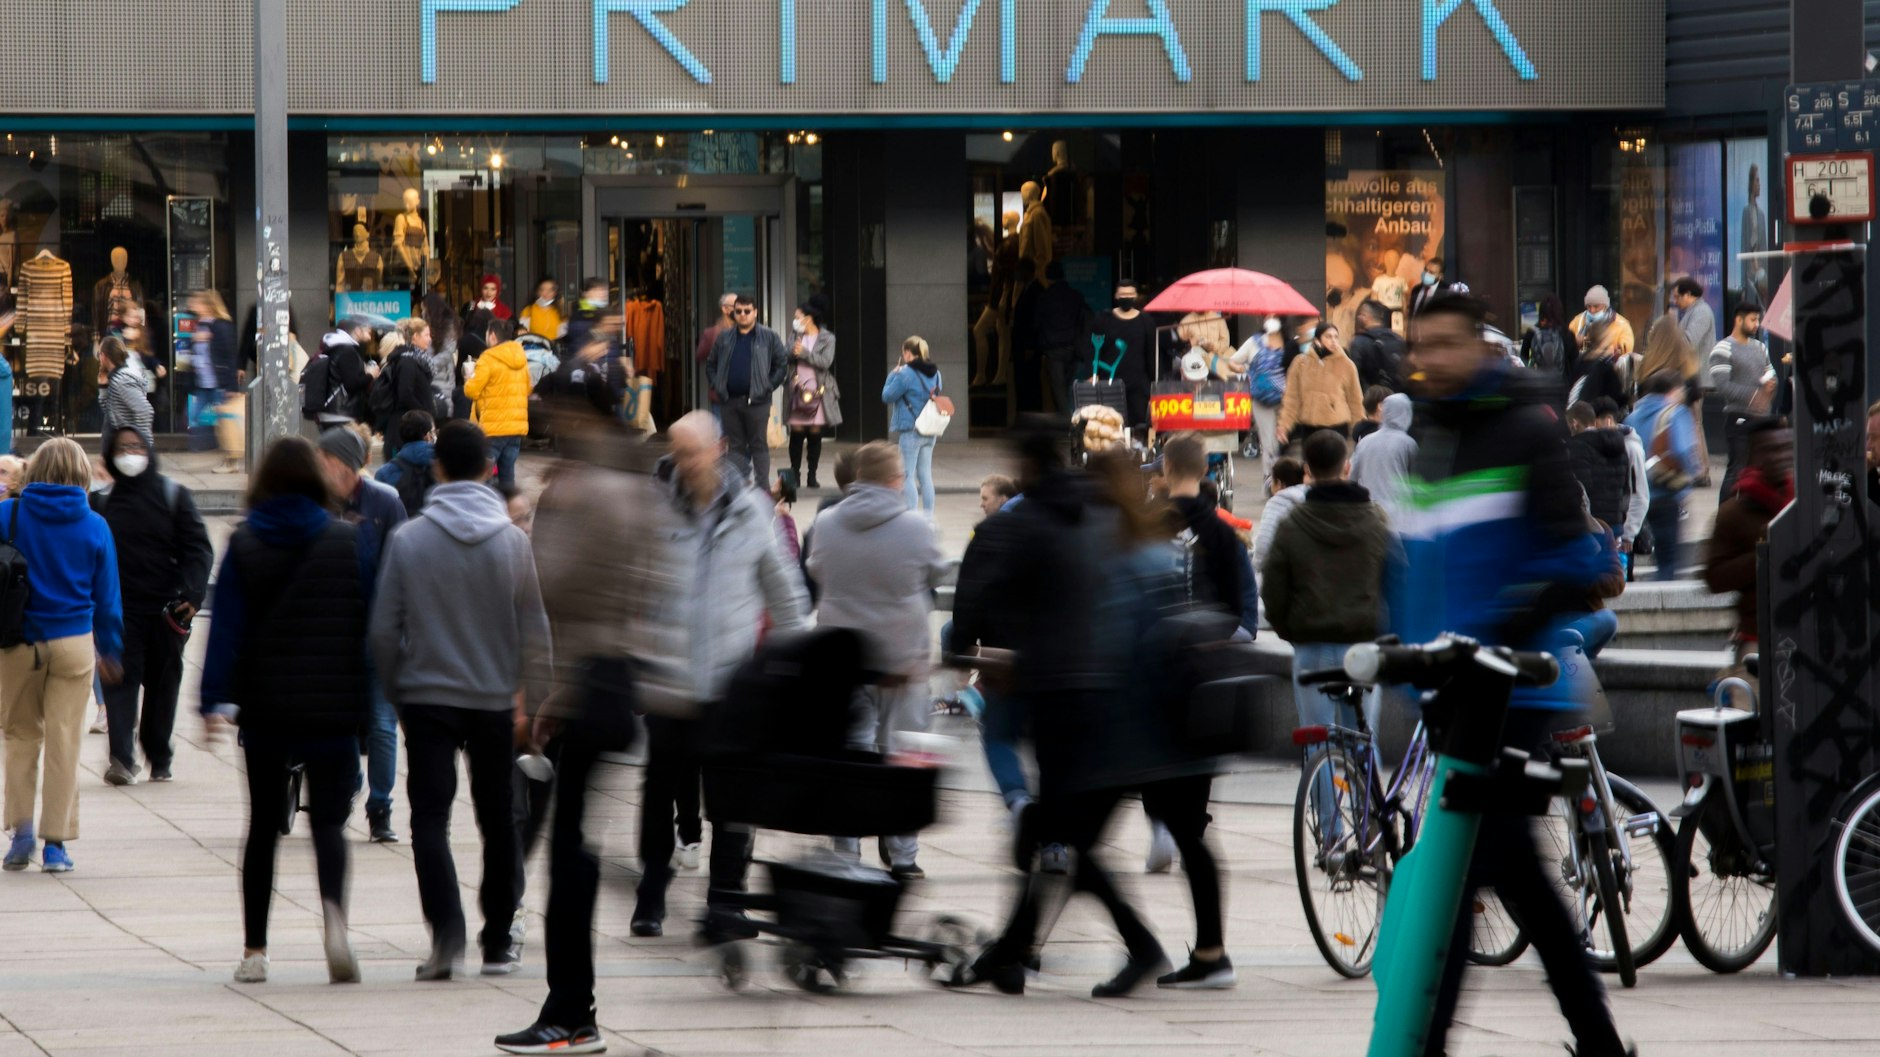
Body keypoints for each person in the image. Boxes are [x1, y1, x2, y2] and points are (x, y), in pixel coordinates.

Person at [1395, 293, 1629, 1057]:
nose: (1430, 358)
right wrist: (1409, 654)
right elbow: (1420, 563)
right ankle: (1597, 1041)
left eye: (1445, 343)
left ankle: (1425, 1043)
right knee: (1506, 872)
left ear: (1480, 345)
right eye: (1420, 344)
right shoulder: (1431, 436)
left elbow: (1578, 559)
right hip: (1452, 689)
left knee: (1462, 876)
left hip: (1514, 688)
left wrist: (1496, 631)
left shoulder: (1526, 429)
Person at [949, 438, 1174, 998]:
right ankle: (1012, 953)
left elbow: (1088, 627)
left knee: (1063, 841)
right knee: (1062, 841)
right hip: (1108, 710)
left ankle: (1131, 947)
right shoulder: (1116, 535)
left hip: (1101, 711)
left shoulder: (1093, 539)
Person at [496, 387, 677, 1056]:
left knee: (569, 857)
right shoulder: (632, 483)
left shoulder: (590, 490)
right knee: (572, 849)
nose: (551, 427)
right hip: (606, 681)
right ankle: (572, 1008)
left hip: (593, 683)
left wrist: (548, 514)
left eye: (559, 417)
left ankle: (571, 1013)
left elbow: (556, 584)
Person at [370, 420, 549, 978]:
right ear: (490, 470)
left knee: (429, 818)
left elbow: (382, 631)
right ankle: (498, 940)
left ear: (438, 468)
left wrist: (398, 692)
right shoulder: (513, 542)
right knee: (499, 819)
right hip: (494, 699)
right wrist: (532, 704)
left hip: (427, 696)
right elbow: (537, 633)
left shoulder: (409, 540)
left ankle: (446, 936)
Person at [630, 411, 809, 940]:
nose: (682, 463)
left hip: (731, 683)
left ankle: (726, 902)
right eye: (675, 452)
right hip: (669, 682)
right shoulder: (655, 509)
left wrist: (791, 671)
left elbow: (785, 596)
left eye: (691, 452)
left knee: (732, 797)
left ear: (719, 448)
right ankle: (651, 895)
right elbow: (634, 588)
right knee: (659, 791)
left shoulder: (753, 512)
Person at [198, 437, 368, 985]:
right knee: (330, 825)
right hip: (333, 706)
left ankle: (255, 950)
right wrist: (368, 703)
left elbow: (225, 629)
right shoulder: (346, 540)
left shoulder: (246, 543)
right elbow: (363, 628)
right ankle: (334, 921)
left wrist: (213, 701)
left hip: (267, 707)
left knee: (263, 827)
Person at [804, 441, 950, 879]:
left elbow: (815, 570)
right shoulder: (917, 526)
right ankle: (903, 856)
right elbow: (936, 571)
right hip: (902, 660)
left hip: (843, 659)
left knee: (849, 756)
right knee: (906, 755)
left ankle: (846, 852)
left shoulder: (826, 523)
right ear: (893, 480)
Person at [0, 439, 123, 874]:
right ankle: (55, 845)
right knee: (64, 739)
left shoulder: (7, 515)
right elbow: (108, 600)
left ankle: (21, 832)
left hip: (18, 641)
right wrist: (111, 649)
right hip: (74, 643)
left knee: (19, 735)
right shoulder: (95, 525)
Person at [1261, 430, 1390, 805]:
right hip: (1363, 645)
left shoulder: (1292, 524)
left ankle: (1329, 830)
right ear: (1347, 467)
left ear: (1307, 470)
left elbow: (1273, 588)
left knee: (1317, 742)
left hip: (1312, 646)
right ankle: (1370, 819)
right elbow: (1396, 578)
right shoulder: (1376, 520)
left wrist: (1290, 629)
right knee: (1363, 739)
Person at [91, 428, 211, 787]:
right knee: (119, 681)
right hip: (119, 610)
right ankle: (122, 758)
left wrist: (193, 593)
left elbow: (198, 548)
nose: (130, 453)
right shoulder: (101, 503)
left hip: (166, 610)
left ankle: (159, 754)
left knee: (162, 684)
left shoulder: (173, 496)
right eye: (122, 447)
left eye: (136, 446)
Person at [317, 425, 409, 844]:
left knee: (382, 724)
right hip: (333, 635)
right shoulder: (316, 501)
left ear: (343, 463)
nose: (320, 466)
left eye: (325, 459)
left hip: (377, 633)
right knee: (339, 722)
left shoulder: (383, 502)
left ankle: (381, 806)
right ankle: (351, 781)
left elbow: (401, 563)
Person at [1705, 420, 1793, 662]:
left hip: (1808, 631)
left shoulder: (1806, 503)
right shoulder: (1734, 513)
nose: (1782, 457)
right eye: (1772, 450)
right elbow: (1715, 578)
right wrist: (1764, 552)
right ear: (1755, 456)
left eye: (1787, 448)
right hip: (1757, 636)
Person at [705, 294, 789, 488]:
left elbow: (781, 364)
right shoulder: (725, 337)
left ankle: (762, 488)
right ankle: (737, 487)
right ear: (733, 313)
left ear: (755, 312)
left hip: (758, 402)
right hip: (730, 400)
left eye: (747, 311)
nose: (742, 315)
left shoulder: (768, 336)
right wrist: (717, 385)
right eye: (738, 311)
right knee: (735, 447)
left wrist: (768, 386)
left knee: (758, 444)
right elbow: (711, 364)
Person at [1626, 371, 1703, 582]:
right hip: (1666, 492)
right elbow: (1682, 449)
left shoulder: (1632, 416)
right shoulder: (1676, 413)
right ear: (1673, 391)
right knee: (1668, 560)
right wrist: (1691, 472)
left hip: (1638, 495)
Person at [1709, 303, 1774, 498]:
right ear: (1739, 320)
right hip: (1739, 417)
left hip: (1762, 418)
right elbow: (1723, 385)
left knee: (1759, 473)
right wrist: (1753, 395)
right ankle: (1726, 511)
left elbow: (1770, 372)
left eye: (1758, 320)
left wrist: (1772, 383)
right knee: (1737, 470)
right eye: (1753, 319)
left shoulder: (1760, 347)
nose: (1757, 324)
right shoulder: (1723, 348)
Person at [465, 317, 531, 491]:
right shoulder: (521, 357)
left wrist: (469, 378)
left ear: (493, 335)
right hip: (516, 427)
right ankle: (507, 505)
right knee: (507, 475)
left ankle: (486, 506)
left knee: (483, 476)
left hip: (493, 428)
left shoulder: (488, 358)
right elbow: (527, 388)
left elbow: (472, 391)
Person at [1084, 278, 1158, 430]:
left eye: (1130, 294)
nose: (1126, 298)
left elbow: (1151, 354)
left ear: (1136, 296)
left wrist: (1155, 383)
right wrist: (1092, 373)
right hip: (1109, 383)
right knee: (1109, 425)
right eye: (1123, 294)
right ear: (1116, 296)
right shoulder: (1103, 320)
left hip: (1138, 385)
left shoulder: (1146, 321)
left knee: (1139, 426)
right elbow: (1092, 349)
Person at [882, 335, 944, 515]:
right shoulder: (936, 373)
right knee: (925, 475)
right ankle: (928, 517)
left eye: (903, 353)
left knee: (907, 474)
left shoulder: (905, 374)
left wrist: (892, 375)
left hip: (911, 429)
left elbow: (887, 396)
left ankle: (910, 515)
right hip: (929, 429)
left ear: (908, 353)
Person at [1277, 324, 1364, 450]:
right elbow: (1291, 398)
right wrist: (1284, 425)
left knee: (1333, 462)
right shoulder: (1300, 363)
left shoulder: (1347, 365)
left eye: (1336, 337)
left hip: (1336, 427)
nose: (1333, 340)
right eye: (1328, 337)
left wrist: (1359, 430)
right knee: (1310, 462)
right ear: (1317, 340)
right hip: (1309, 427)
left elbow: (1355, 401)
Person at [786, 297, 841, 489]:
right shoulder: (795, 334)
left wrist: (804, 353)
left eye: (798, 317)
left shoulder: (828, 338)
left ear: (808, 318)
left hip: (818, 390)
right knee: (797, 432)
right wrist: (792, 353)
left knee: (814, 432)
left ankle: (812, 475)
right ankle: (794, 474)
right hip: (797, 388)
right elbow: (786, 355)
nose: (795, 320)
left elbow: (825, 362)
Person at [190, 290, 242, 472]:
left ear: (208, 305)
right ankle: (213, 447)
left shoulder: (221, 326)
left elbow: (230, 356)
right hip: (204, 383)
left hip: (219, 382)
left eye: (197, 303)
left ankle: (231, 460)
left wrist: (231, 386)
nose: (193, 306)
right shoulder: (201, 325)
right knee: (195, 417)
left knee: (226, 422)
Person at [1566, 401, 1632, 540]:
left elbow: (1581, 488)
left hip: (1593, 526)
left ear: (1574, 423)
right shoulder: (1619, 446)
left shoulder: (1576, 447)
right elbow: (1627, 487)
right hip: (1616, 523)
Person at [376, 317, 440, 463]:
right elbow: (405, 394)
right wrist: (424, 414)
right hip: (403, 431)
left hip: (412, 428)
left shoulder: (416, 359)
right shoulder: (408, 361)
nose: (429, 339)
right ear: (415, 337)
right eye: (426, 335)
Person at [1348, 392, 1417, 526]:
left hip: (1369, 511)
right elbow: (1414, 478)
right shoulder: (1408, 443)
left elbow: (1352, 477)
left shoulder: (1365, 441)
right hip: (1399, 513)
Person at [1032, 260, 1090, 415]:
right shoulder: (1075, 295)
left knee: (1058, 390)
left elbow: (1036, 323)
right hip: (1073, 347)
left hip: (1053, 349)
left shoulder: (1044, 298)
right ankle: (1074, 416)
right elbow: (1086, 318)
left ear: (1047, 277)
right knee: (1069, 386)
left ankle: (1067, 421)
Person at [1237, 317, 1289, 486]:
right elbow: (1234, 361)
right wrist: (1248, 370)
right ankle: (1271, 479)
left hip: (1284, 400)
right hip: (1266, 399)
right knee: (1270, 443)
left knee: (1277, 442)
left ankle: (1277, 478)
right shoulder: (1256, 341)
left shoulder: (1288, 342)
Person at [1569, 285, 1636, 408]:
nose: (1592, 310)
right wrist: (1575, 343)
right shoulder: (1577, 322)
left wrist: (1614, 351)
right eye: (1589, 307)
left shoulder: (1621, 325)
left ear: (1605, 306)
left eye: (1596, 306)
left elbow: (1626, 349)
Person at [376, 410, 438, 518]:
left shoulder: (384, 472)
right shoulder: (445, 465)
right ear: (428, 436)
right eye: (434, 432)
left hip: (400, 525)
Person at [1252, 456, 1308, 570]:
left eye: (1272, 481)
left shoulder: (1277, 503)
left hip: (1281, 569)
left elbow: (1264, 543)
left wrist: (1256, 565)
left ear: (1279, 483)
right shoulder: (1308, 498)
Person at [97, 337, 153, 441]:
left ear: (103, 356)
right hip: (119, 444)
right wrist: (103, 387)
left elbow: (144, 411)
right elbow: (110, 413)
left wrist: (142, 444)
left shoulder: (123, 380)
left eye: (98, 354)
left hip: (127, 445)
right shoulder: (116, 378)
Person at [1347, 299, 1406, 392]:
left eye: (1361, 314)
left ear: (1367, 317)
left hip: (1371, 397)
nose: (1359, 317)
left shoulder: (1359, 342)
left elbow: (1353, 375)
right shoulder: (1398, 339)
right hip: (1397, 395)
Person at [1520, 294, 1577, 386]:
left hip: (1538, 385)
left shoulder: (1532, 332)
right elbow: (1574, 363)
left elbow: (1523, 358)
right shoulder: (1567, 334)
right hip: (1562, 386)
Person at [1673, 276, 1716, 356]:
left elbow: (1688, 342)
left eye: (1677, 297)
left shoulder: (1702, 312)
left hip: (1698, 364)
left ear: (1688, 294)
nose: (1675, 302)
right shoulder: (1692, 311)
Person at [694, 292, 737, 366]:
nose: (739, 310)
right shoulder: (711, 333)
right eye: (735, 306)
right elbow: (699, 355)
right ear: (724, 309)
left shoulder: (744, 330)